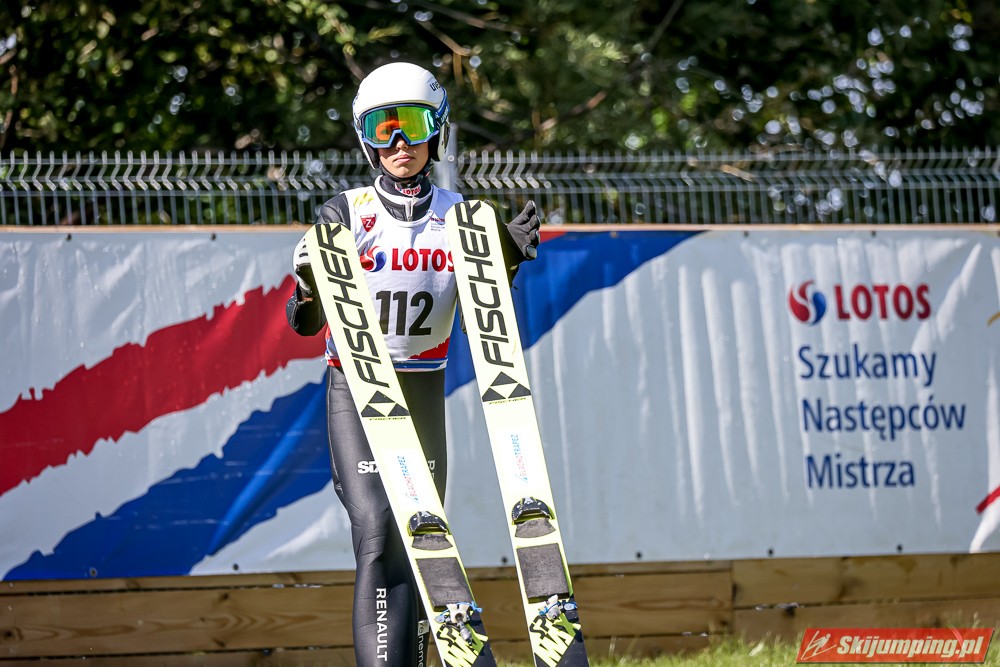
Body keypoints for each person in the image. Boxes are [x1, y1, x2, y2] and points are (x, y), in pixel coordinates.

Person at [285, 61, 540, 667]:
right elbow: (304, 323)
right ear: (365, 138)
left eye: (415, 125)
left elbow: (483, 316)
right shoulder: (346, 212)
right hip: (357, 390)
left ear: (437, 131)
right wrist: (310, 282)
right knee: (378, 529)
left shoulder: (463, 215)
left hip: (422, 389)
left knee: (422, 539)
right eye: (384, 128)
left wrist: (502, 258)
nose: (400, 142)